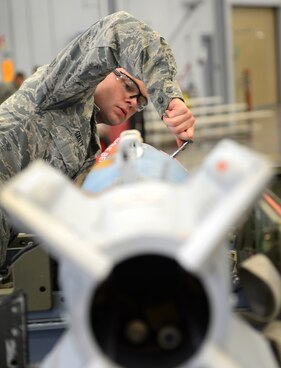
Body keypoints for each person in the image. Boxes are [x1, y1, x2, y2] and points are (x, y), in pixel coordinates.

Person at [0, 11, 195, 266]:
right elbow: (118, 30)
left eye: (140, 101)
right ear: (102, 69)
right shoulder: (58, 92)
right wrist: (168, 96)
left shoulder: (86, 144)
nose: (132, 102)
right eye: (128, 87)